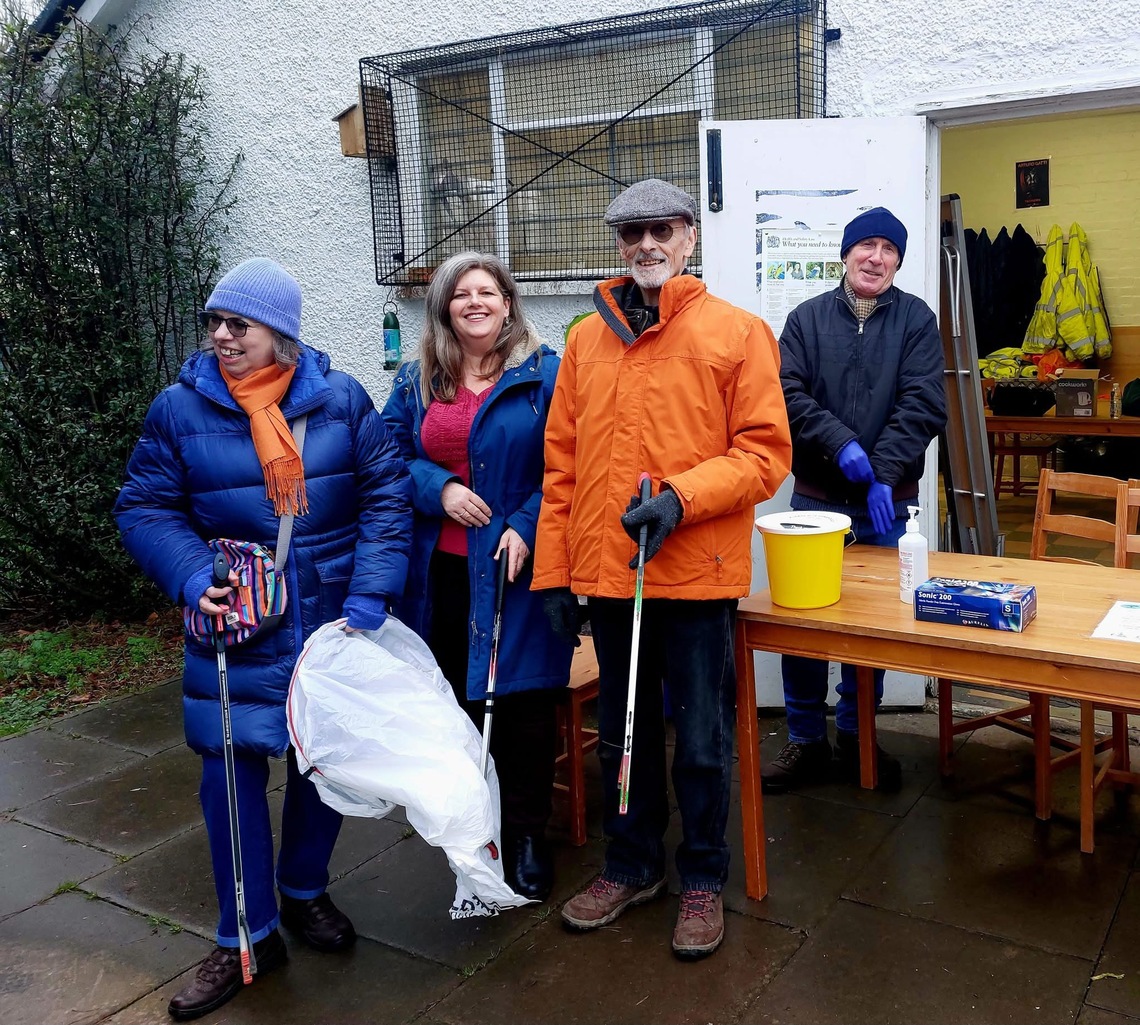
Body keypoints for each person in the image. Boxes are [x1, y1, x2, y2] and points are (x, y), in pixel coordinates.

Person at [114, 257, 412, 1020]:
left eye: (237, 323)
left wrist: (371, 591)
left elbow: (385, 494)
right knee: (229, 783)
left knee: (322, 767)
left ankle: (305, 891)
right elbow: (144, 506)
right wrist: (189, 574)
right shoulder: (179, 409)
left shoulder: (341, 400)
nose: (221, 335)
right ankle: (245, 932)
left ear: (279, 332)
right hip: (232, 630)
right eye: (215, 321)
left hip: (326, 625)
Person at [533, 179, 791, 960]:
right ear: (619, 243)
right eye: (632, 232)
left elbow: (765, 454)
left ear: (688, 239)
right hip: (612, 579)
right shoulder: (585, 340)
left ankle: (703, 878)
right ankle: (632, 864)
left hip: (696, 575)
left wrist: (681, 497)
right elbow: (562, 468)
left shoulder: (738, 332)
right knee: (623, 734)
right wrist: (555, 574)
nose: (647, 243)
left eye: (662, 230)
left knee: (704, 740)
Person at [381, 251, 573, 903]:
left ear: (509, 302)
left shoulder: (544, 374)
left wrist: (526, 521)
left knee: (524, 705)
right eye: (460, 293)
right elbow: (389, 456)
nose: (475, 302)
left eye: (487, 291)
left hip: (522, 568)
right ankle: (476, 826)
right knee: (459, 706)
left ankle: (524, 835)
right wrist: (439, 488)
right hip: (444, 573)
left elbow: (567, 463)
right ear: (443, 308)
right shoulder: (417, 380)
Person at [761, 206, 947, 795]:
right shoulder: (806, 320)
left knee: (870, 631)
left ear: (897, 260)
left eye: (888, 249)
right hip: (815, 504)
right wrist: (841, 446)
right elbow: (785, 394)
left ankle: (856, 735)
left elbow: (923, 402)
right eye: (865, 245)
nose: (876, 257)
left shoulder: (916, 321)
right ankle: (806, 741)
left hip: (886, 506)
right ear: (844, 255)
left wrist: (882, 474)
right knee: (805, 626)